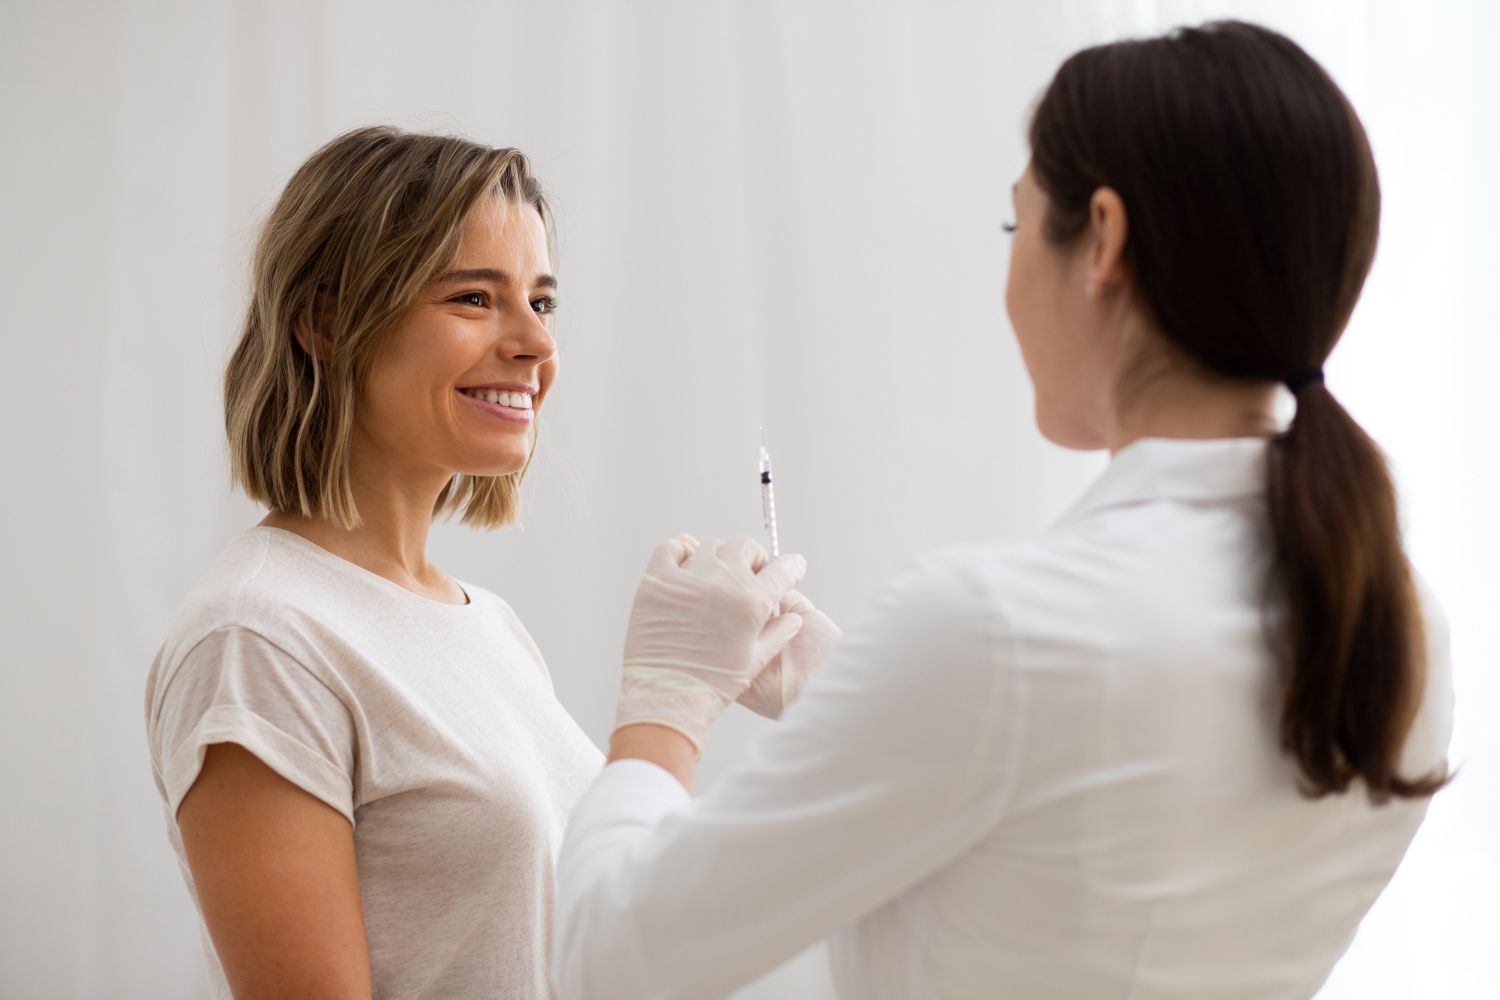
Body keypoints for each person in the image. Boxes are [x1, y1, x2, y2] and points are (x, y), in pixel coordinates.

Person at [553, 20, 1454, 1000]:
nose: (1009, 274)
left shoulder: (1002, 627)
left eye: (1013, 225)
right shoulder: (1396, 622)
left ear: (1101, 239)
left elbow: (608, 965)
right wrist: (856, 688)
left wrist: (664, 696)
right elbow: (1076, 822)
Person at [141, 125, 821, 998]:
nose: (534, 346)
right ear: (325, 320)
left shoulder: (485, 624)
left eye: (542, 303)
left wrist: (838, 696)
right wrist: (665, 711)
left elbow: (580, 953)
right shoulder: (258, 640)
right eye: (473, 298)